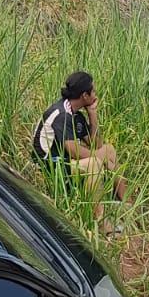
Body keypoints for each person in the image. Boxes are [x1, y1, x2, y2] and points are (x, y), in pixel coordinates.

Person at [32, 71, 132, 235]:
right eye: (93, 91)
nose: (95, 95)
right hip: (49, 165)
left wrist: (93, 115)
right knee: (94, 163)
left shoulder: (75, 115)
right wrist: (100, 156)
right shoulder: (61, 115)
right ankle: (100, 221)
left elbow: (95, 144)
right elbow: (73, 150)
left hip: (64, 162)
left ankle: (127, 204)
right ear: (84, 95)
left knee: (108, 149)